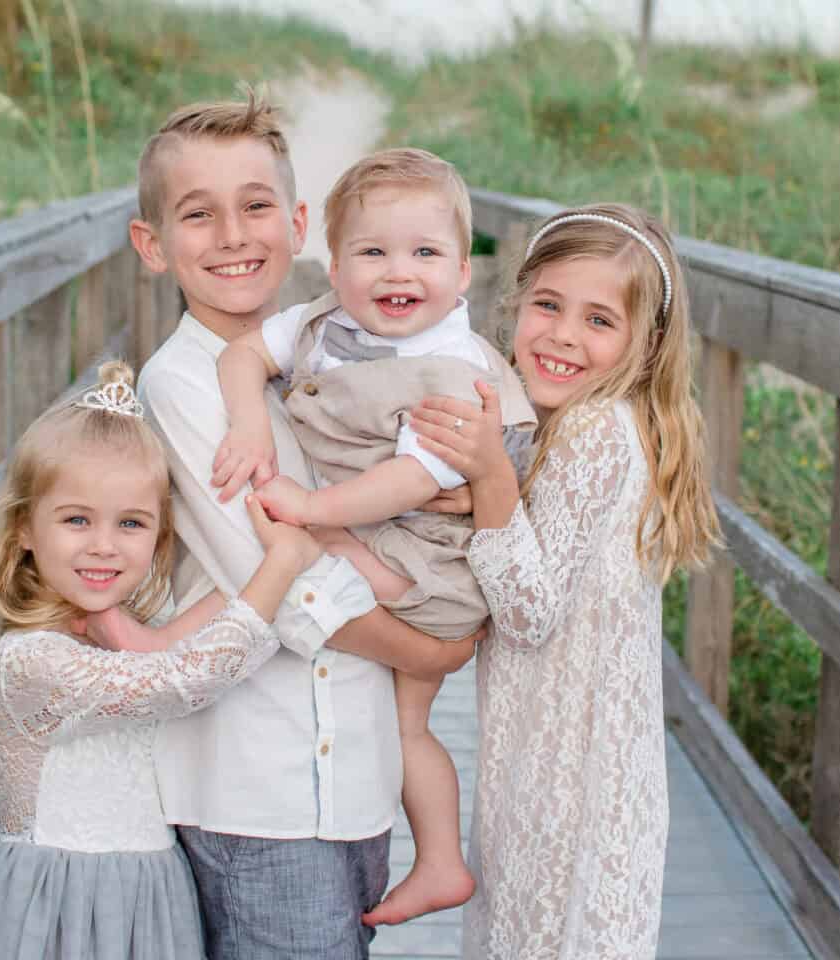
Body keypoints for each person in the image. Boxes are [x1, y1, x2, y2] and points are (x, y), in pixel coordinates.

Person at [124, 94, 479, 958]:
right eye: (197, 215)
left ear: (297, 222)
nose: (233, 236)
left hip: (354, 771)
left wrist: (460, 486)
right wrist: (434, 653)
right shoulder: (183, 384)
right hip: (259, 785)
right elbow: (285, 591)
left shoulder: (338, 342)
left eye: (254, 206)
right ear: (153, 245)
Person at [210, 147, 535, 925]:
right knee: (406, 722)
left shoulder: (452, 369)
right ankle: (442, 862)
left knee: (402, 707)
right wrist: (253, 420)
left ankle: (439, 857)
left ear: (464, 273)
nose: (398, 272)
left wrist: (314, 512)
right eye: (372, 252)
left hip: (428, 559)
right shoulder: (322, 321)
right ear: (334, 262)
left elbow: (414, 482)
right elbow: (241, 352)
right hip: (380, 534)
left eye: (425, 253)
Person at [406, 204, 722, 959]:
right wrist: (486, 487)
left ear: (645, 348)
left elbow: (528, 612)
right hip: (561, 765)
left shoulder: (592, 432)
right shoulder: (579, 423)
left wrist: (487, 478)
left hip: (571, 785)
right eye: (547, 305)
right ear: (516, 304)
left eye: (599, 321)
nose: (563, 336)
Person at [0, 361, 326, 959]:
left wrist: (257, 560)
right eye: (75, 520)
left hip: (146, 899)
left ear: (158, 537)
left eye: (130, 523)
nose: (103, 544)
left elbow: (197, 633)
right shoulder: (29, 662)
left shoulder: (126, 636)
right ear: (24, 530)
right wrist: (281, 565)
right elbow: (185, 677)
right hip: (62, 905)